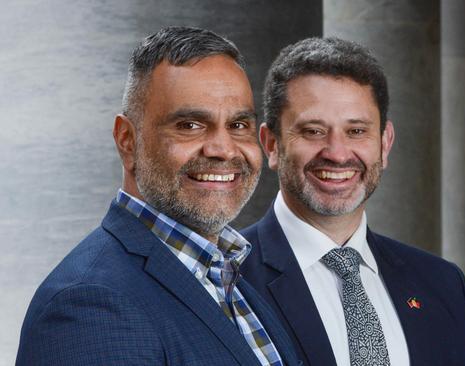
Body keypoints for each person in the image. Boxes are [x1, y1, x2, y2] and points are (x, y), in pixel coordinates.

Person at [16, 26, 298, 366]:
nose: (224, 149)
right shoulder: (89, 304)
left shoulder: (228, 277)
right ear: (127, 141)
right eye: (190, 125)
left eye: (238, 125)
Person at [240, 37, 465, 366]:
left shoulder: (442, 284)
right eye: (313, 131)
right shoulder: (227, 281)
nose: (337, 153)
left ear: (384, 144)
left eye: (356, 132)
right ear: (271, 145)